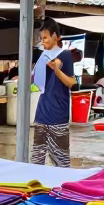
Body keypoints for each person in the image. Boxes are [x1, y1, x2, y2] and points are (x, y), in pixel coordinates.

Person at [31, 19, 77, 167]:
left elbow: (71, 83)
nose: (42, 41)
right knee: (37, 159)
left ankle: (62, 188)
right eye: (41, 38)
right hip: (42, 114)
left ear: (55, 36)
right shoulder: (43, 56)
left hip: (58, 115)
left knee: (61, 162)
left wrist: (56, 70)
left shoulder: (64, 55)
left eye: (45, 38)